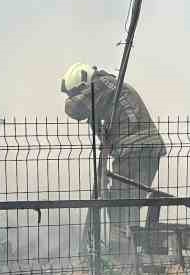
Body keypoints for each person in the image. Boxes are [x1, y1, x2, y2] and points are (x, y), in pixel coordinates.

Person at [60, 62, 166, 253]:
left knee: (119, 203)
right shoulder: (110, 88)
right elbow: (102, 127)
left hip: (132, 149)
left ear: (82, 84)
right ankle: (131, 256)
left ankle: (120, 255)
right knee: (131, 202)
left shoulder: (100, 84)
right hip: (150, 148)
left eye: (74, 92)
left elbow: (75, 109)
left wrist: (71, 101)